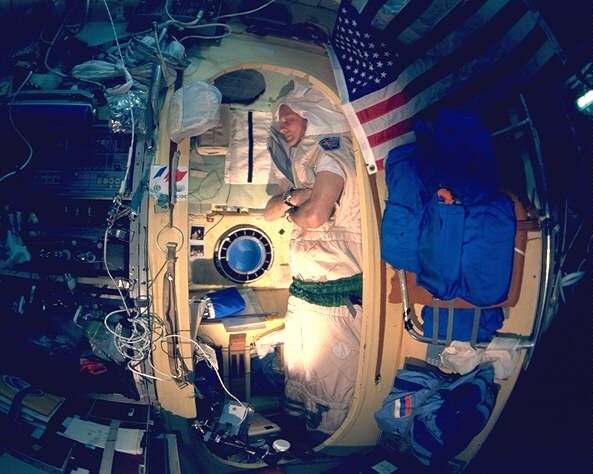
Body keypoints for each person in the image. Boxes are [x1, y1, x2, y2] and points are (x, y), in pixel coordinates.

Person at [264, 80, 362, 442]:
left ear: (313, 116)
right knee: (301, 372)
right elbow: (268, 213)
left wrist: (295, 208)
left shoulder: (332, 153)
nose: (283, 127)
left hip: (335, 293)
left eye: (288, 119)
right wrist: (295, 196)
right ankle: (297, 436)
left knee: (331, 380)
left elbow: (315, 216)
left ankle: (328, 443)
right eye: (280, 121)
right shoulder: (301, 162)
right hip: (307, 290)